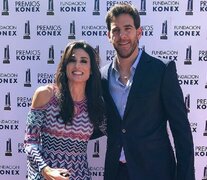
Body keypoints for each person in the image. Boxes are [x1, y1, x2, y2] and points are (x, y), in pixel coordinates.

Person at [101, 3, 195, 180]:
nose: (122, 36)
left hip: (155, 171)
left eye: (128, 28)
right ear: (108, 36)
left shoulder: (161, 70)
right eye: (116, 30)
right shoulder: (102, 77)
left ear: (139, 32)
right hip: (116, 173)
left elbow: (181, 129)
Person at [24, 40, 106, 180]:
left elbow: (116, 132)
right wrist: (46, 170)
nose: (77, 65)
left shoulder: (96, 103)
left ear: (92, 69)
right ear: (65, 65)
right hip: (46, 176)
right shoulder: (46, 95)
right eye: (72, 60)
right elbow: (30, 141)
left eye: (84, 61)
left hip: (80, 176)